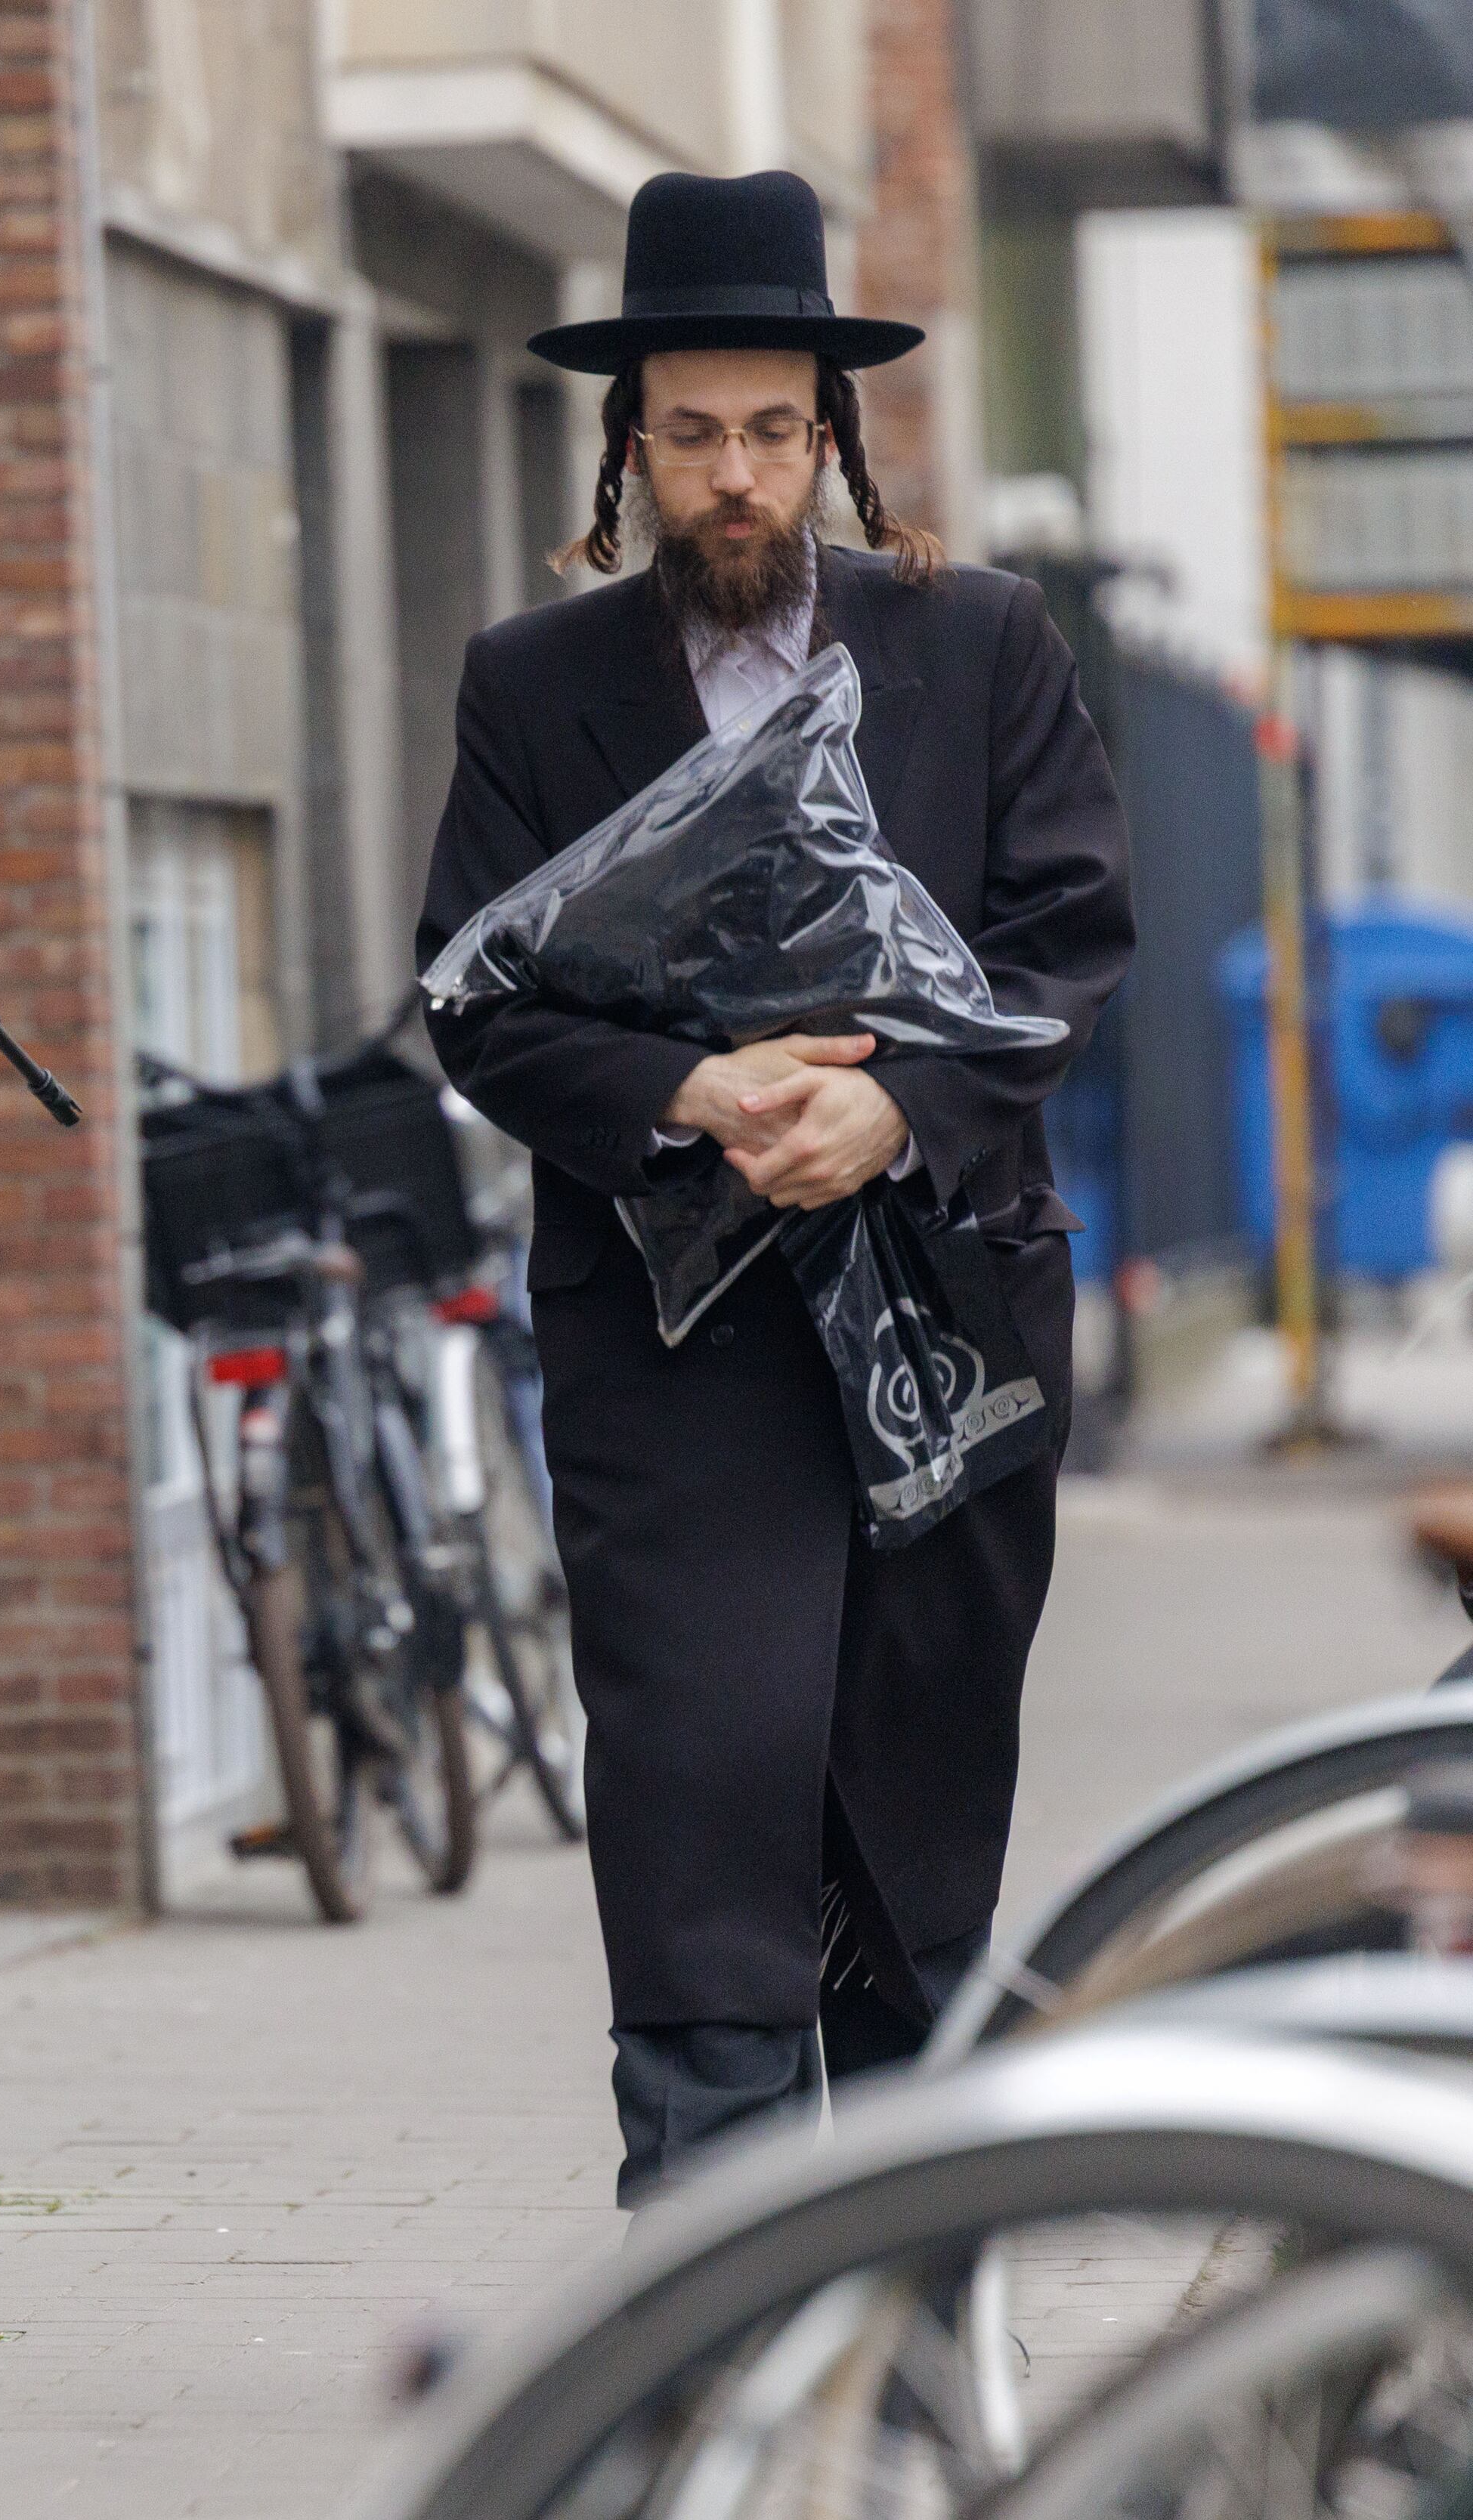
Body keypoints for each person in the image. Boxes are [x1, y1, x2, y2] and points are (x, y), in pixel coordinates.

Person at [414, 169, 1134, 2207]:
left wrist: (895, 1103)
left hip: (954, 1315)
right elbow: (477, 1001)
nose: (734, 478)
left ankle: (908, 2261)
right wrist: (693, 1087)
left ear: (834, 436)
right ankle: (713, 2264)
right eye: (692, 434)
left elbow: (1070, 938)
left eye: (769, 431)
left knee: (918, 1780)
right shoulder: (533, 680)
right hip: (677, 1340)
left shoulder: (980, 642)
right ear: (627, 443)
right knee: (701, 1774)